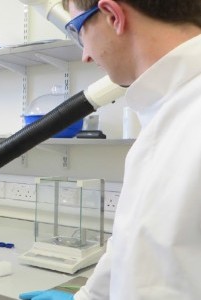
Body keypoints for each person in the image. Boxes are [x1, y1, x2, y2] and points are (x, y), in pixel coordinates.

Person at [20, 0, 201, 299]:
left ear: (113, 16)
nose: (86, 55)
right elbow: (135, 246)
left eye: (79, 31)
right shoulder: (163, 111)